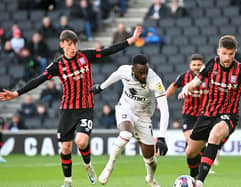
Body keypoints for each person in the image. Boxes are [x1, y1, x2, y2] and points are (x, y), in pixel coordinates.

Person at [0, 27, 142, 187]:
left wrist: (131, 39)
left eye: (74, 43)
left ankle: (87, 165)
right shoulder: (57, 65)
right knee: (66, 148)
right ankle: (68, 182)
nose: (73, 47)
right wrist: (17, 93)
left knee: (81, 141)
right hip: (67, 109)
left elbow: (108, 51)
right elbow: (39, 80)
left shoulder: (85, 56)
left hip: (85, 108)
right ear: (62, 45)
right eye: (69, 44)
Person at [178, 35, 241, 187]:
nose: (227, 57)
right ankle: (193, 178)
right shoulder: (212, 64)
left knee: (216, 133)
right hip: (207, 114)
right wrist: (187, 87)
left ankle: (199, 182)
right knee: (190, 152)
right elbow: (197, 81)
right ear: (218, 51)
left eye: (231, 54)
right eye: (224, 53)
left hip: (228, 116)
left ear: (235, 53)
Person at [90, 54, 169, 186]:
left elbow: (165, 110)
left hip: (144, 116)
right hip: (125, 108)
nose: (144, 75)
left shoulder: (155, 81)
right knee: (125, 134)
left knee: (150, 160)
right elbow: (115, 75)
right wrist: (101, 87)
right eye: (140, 73)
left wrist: (161, 137)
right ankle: (109, 166)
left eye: (146, 72)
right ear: (133, 70)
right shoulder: (124, 71)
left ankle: (150, 178)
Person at [166, 54, 218, 176]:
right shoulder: (185, 77)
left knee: (200, 143)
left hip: (204, 114)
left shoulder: (209, 77)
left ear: (203, 65)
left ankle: (203, 165)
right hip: (189, 114)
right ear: (190, 65)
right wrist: (163, 99)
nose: (196, 67)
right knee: (190, 140)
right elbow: (173, 86)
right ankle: (200, 166)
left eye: (199, 65)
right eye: (194, 65)